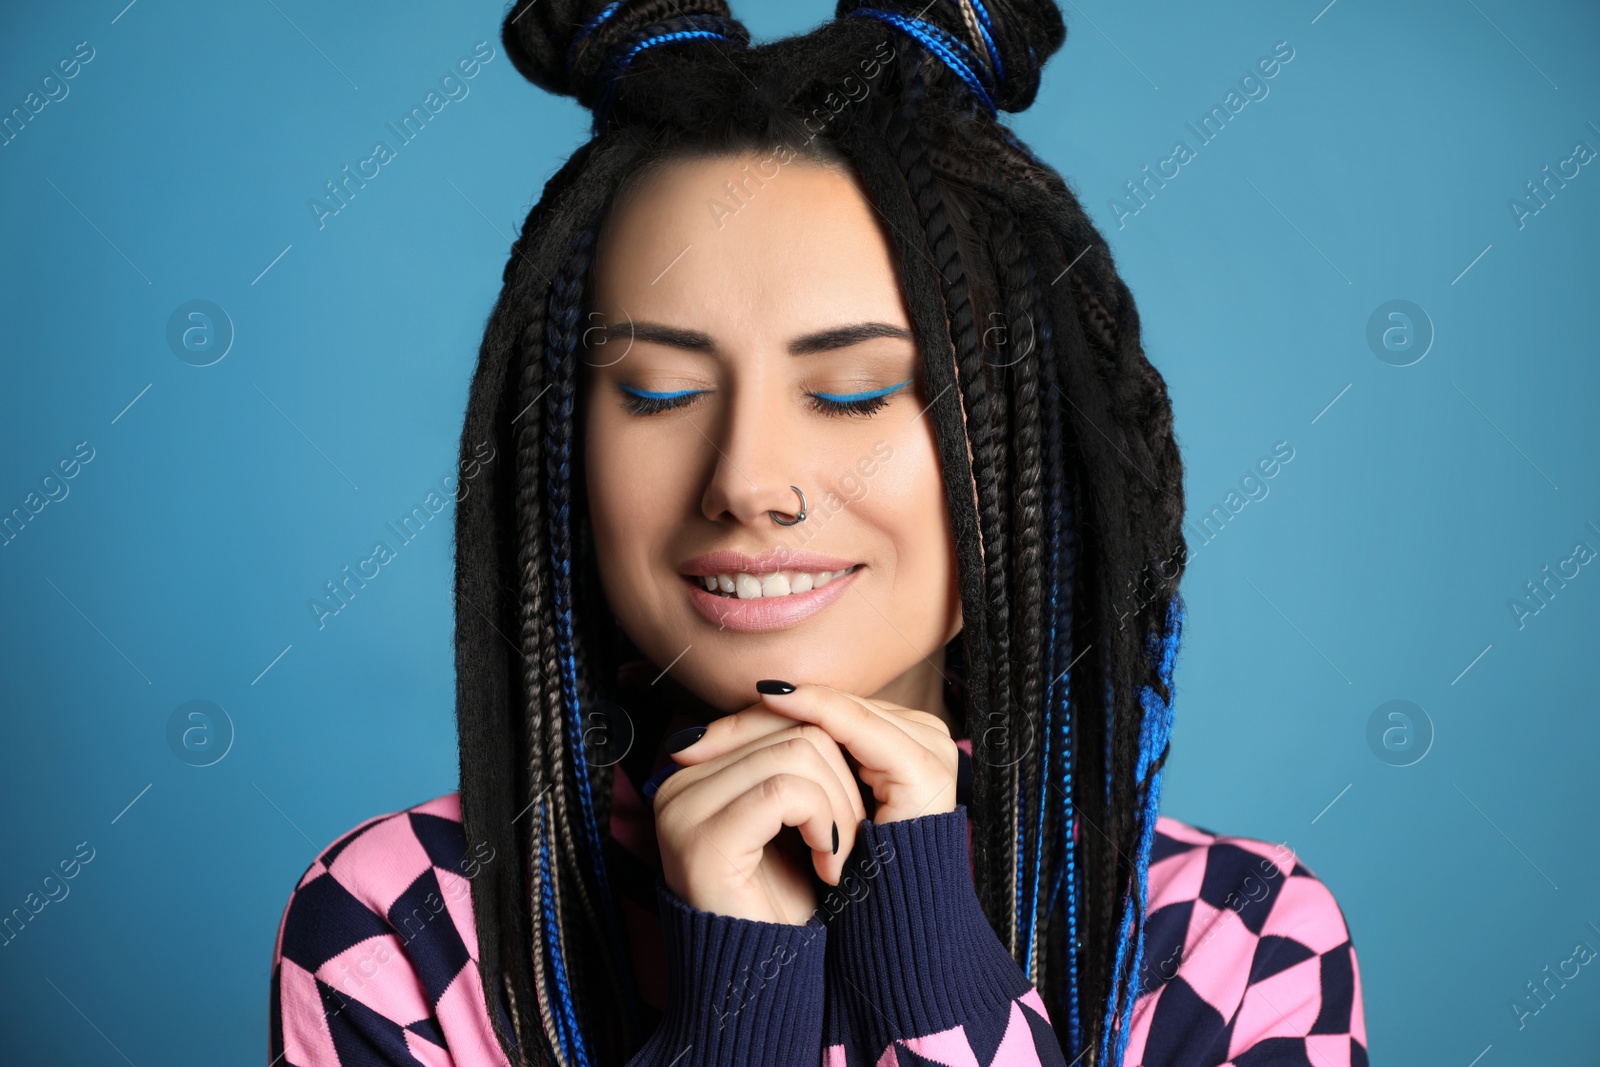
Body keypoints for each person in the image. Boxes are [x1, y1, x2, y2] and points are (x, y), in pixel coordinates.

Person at [268, 2, 1368, 1065]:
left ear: (1015, 446)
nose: (748, 482)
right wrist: (732, 1004)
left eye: (852, 393)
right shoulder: (402, 926)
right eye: (655, 391)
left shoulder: (1236, 943)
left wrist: (931, 958)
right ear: (563, 444)